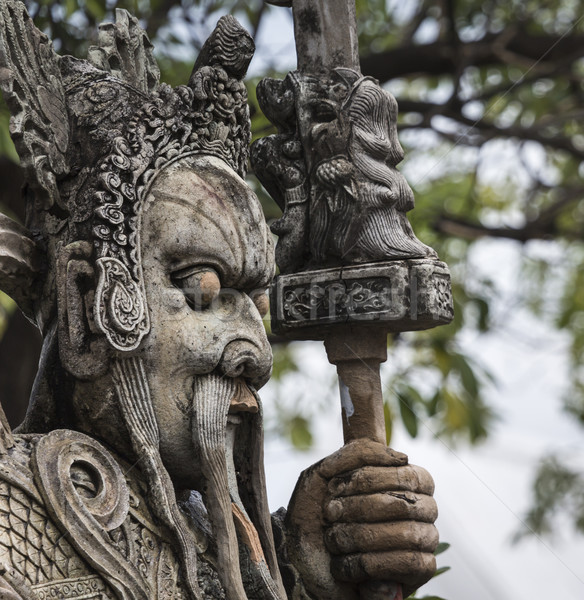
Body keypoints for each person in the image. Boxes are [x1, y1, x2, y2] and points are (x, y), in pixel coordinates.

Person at [0, 2, 438, 598]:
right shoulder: (13, 522)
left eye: (256, 305)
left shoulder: (210, 542)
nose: (256, 355)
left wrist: (305, 567)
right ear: (84, 304)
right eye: (203, 290)